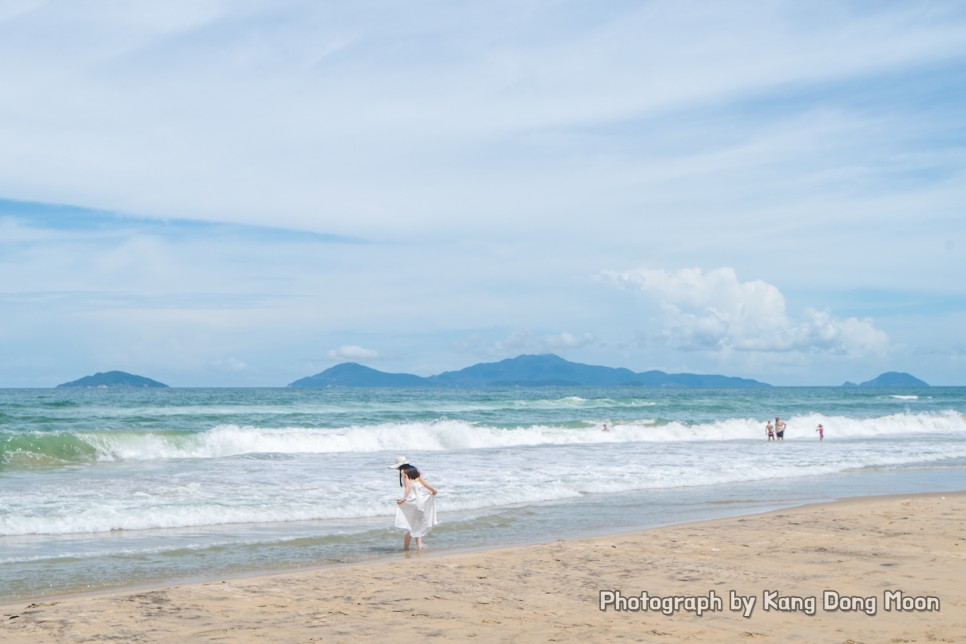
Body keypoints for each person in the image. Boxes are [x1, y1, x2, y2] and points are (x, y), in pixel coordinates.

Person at [389, 456, 438, 550]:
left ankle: (405, 549)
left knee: (408, 526)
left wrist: (404, 498)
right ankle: (419, 547)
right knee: (416, 525)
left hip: (412, 501)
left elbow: (408, 487)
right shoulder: (415, 469)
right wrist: (433, 490)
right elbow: (423, 483)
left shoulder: (403, 471)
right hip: (422, 500)